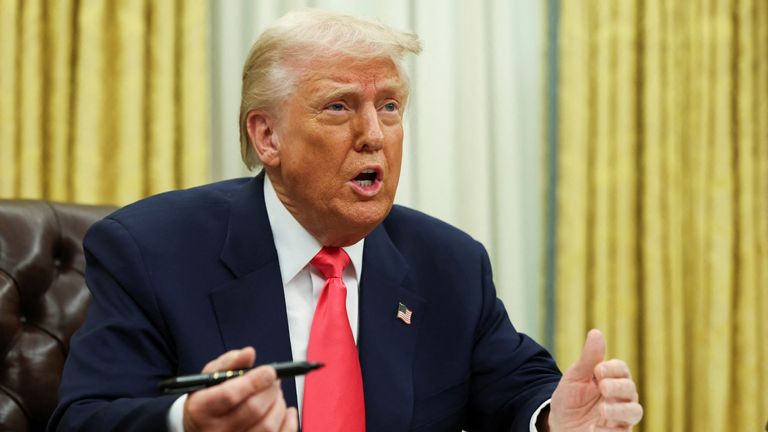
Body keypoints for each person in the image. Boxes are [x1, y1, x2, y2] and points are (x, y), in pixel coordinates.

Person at [49, 9, 643, 432]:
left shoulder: (449, 263)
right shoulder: (152, 250)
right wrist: (186, 423)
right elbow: (84, 417)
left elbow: (519, 388)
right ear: (267, 136)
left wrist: (554, 420)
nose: (374, 136)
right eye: (339, 107)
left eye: (389, 106)